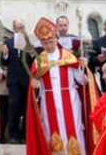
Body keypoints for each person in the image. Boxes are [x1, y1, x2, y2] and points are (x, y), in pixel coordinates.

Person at [26, 17, 91, 155]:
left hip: (70, 101)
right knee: (52, 132)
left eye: (51, 42)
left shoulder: (68, 56)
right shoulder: (38, 62)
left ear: (56, 39)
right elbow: (34, 88)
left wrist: (84, 68)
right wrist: (34, 85)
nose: (49, 46)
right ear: (41, 44)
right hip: (48, 103)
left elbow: (83, 81)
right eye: (45, 43)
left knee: (74, 129)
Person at [1, 19, 34, 144]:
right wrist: (5, 55)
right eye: (18, 27)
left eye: (22, 27)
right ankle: (14, 135)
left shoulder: (29, 41)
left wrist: (31, 54)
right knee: (13, 106)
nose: (21, 29)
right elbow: (3, 61)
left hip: (26, 78)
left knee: (27, 107)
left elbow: (35, 60)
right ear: (14, 28)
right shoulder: (8, 42)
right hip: (14, 79)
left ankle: (26, 135)